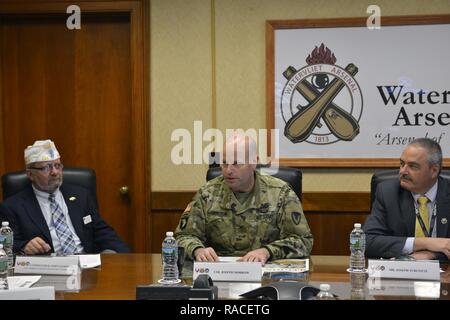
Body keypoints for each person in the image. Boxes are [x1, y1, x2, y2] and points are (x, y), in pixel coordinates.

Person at [174, 134, 313, 265]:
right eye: (224, 163)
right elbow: (181, 237)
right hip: (220, 274)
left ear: (254, 162)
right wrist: (197, 250)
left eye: (236, 163)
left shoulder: (281, 193)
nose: (228, 170)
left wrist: (267, 252)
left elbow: (303, 241)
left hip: (265, 276)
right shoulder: (207, 193)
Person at [0, 139, 130, 255]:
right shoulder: (13, 206)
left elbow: (102, 231)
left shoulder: (81, 195)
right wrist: (23, 246)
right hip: (49, 269)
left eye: (57, 166)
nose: (55, 172)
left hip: (86, 265)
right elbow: (6, 245)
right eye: (46, 168)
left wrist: (121, 254)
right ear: (30, 174)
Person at [364, 138, 450, 260]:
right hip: (400, 274)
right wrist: (425, 243)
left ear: (434, 171)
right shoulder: (388, 192)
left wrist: (431, 255)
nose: (403, 171)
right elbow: (367, 241)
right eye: (402, 164)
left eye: (412, 166)